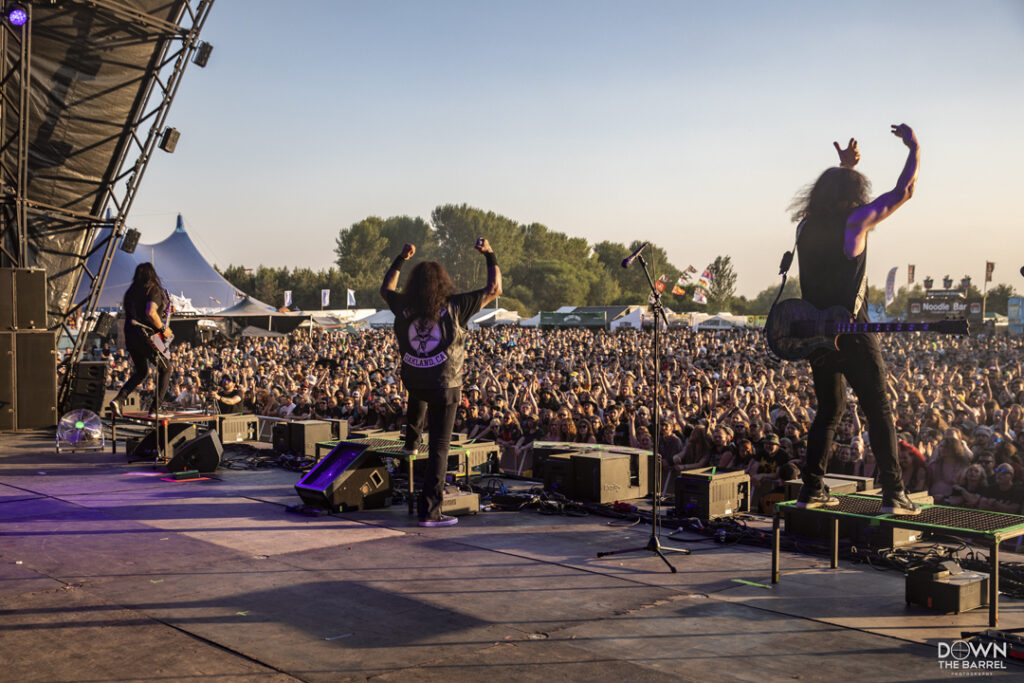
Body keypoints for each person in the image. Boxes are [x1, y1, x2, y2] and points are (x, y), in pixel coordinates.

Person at [791, 125, 922, 514]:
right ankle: (894, 494)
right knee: (878, 408)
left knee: (829, 411)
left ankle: (811, 488)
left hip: (817, 334)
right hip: (852, 331)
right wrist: (914, 148)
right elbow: (905, 191)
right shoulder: (856, 222)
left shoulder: (804, 228)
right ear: (854, 193)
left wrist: (842, 169)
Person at [380, 238, 501, 527]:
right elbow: (494, 289)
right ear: (443, 282)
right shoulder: (456, 305)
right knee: (439, 447)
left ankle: (410, 441)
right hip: (446, 383)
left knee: (417, 395)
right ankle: (431, 512)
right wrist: (490, 255)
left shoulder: (403, 305)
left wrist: (400, 258)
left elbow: (386, 289)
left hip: (415, 379)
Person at [108, 263, 172, 417]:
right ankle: (156, 409)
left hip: (130, 336)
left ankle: (119, 400)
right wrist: (163, 329)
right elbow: (150, 312)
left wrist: (163, 311)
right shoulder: (153, 289)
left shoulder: (130, 291)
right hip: (146, 337)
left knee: (142, 371)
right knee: (166, 369)